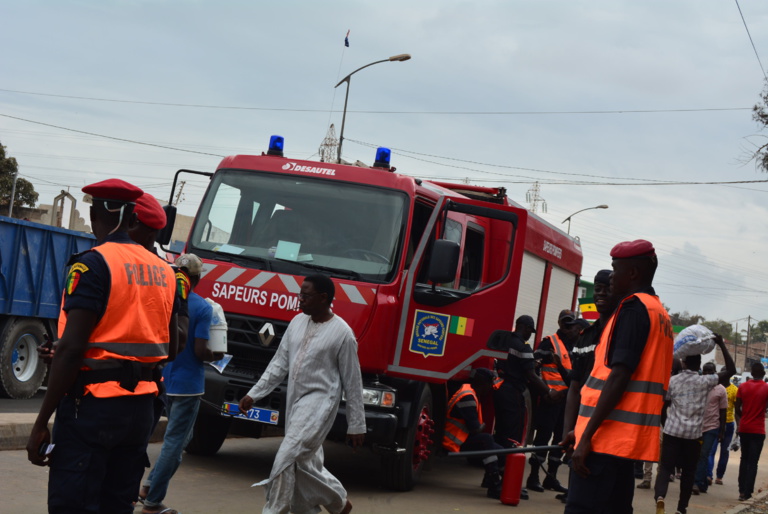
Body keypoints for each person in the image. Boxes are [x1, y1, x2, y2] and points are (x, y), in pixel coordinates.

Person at [25, 179, 178, 514]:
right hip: (141, 410)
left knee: (74, 504)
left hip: (94, 410)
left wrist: (41, 421)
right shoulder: (166, 273)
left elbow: (72, 349)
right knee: (117, 504)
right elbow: (172, 347)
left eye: (91, 210)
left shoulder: (94, 263)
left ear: (100, 213)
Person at [238, 274, 364, 514]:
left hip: (320, 406)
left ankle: (274, 510)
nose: (300, 300)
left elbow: (353, 381)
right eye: (300, 294)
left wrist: (356, 425)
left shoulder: (343, 334)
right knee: (303, 463)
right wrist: (254, 394)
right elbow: (279, 364)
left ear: (323, 298)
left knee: (286, 456)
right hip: (295, 402)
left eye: (305, 296)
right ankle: (337, 503)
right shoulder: (296, 323)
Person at [564, 239, 674, 514]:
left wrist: (586, 436)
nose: (611, 276)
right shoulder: (659, 313)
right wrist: (577, 431)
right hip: (624, 443)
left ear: (633, 273)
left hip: (603, 442)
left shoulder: (633, 309)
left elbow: (618, 377)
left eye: (615, 269)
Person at [140, 254, 223, 514]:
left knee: (179, 439)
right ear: (197, 278)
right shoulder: (203, 307)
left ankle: (149, 486)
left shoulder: (166, 300)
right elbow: (200, 350)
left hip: (165, 379)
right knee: (175, 444)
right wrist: (216, 356)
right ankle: (152, 501)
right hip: (189, 384)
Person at [654, 339, 735, 514]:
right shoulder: (706, 381)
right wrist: (721, 344)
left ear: (683, 363)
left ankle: (660, 497)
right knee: (689, 472)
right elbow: (731, 371)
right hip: (693, 435)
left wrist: (665, 424)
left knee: (666, 468)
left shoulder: (673, 381)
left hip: (672, 432)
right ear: (699, 364)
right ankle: (681, 508)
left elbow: (663, 406)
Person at [559, 270, 616, 502]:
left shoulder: (619, 333)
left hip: (608, 435)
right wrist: (567, 433)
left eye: (607, 288)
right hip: (580, 432)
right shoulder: (585, 337)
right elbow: (574, 388)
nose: (601, 293)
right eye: (597, 288)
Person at [526, 309, 581, 495]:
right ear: (559, 322)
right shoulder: (549, 342)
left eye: (571, 323)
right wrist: (545, 391)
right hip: (551, 400)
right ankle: (533, 476)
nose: (568, 326)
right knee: (543, 438)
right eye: (565, 322)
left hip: (567, 403)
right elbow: (533, 368)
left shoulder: (577, 345)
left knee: (560, 440)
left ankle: (551, 477)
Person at [442, 368, 505, 499]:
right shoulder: (467, 397)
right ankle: (494, 484)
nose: (490, 388)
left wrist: (480, 427)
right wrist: (482, 426)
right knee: (487, 439)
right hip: (453, 442)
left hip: (462, 439)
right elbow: (475, 428)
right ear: (481, 382)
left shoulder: (471, 392)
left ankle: (502, 484)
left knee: (502, 451)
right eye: (489, 384)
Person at [693, 362, 727, 494]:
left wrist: (722, 431)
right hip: (696, 426)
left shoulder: (721, 390)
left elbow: (723, 411)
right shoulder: (698, 386)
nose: (707, 373)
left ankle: (696, 483)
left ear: (715, 373)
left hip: (712, 427)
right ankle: (703, 483)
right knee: (697, 455)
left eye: (710, 371)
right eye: (705, 371)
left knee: (703, 455)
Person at [736, 362, 768, 501]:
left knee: (744, 459)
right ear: (763, 374)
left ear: (751, 373)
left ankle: (741, 490)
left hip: (744, 427)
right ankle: (748, 493)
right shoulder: (766, 388)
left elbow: (737, 407)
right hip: (758, 429)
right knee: (753, 462)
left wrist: (744, 417)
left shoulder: (743, 386)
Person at [708, 376, 739, 485]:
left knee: (724, 451)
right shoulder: (715, 388)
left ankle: (719, 476)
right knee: (711, 450)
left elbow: (737, 410)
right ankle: (709, 475)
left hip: (729, 423)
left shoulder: (734, 390)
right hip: (716, 422)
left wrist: (738, 426)